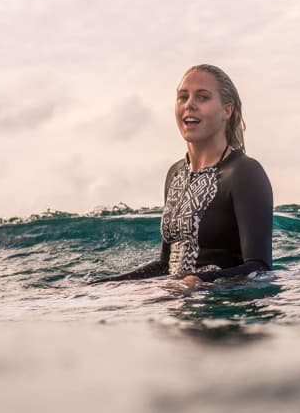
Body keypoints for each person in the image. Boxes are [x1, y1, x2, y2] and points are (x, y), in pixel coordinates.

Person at [90, 64, 273, 288]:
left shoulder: (245, 172)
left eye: (203, 97)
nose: (190, 105)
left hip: (222, 305)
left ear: (227, 110)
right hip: (178, 302)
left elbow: (260, 268)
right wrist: (106, 285)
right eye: (182, 97)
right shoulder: (175, 174)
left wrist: (199, 282)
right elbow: (165, 264)